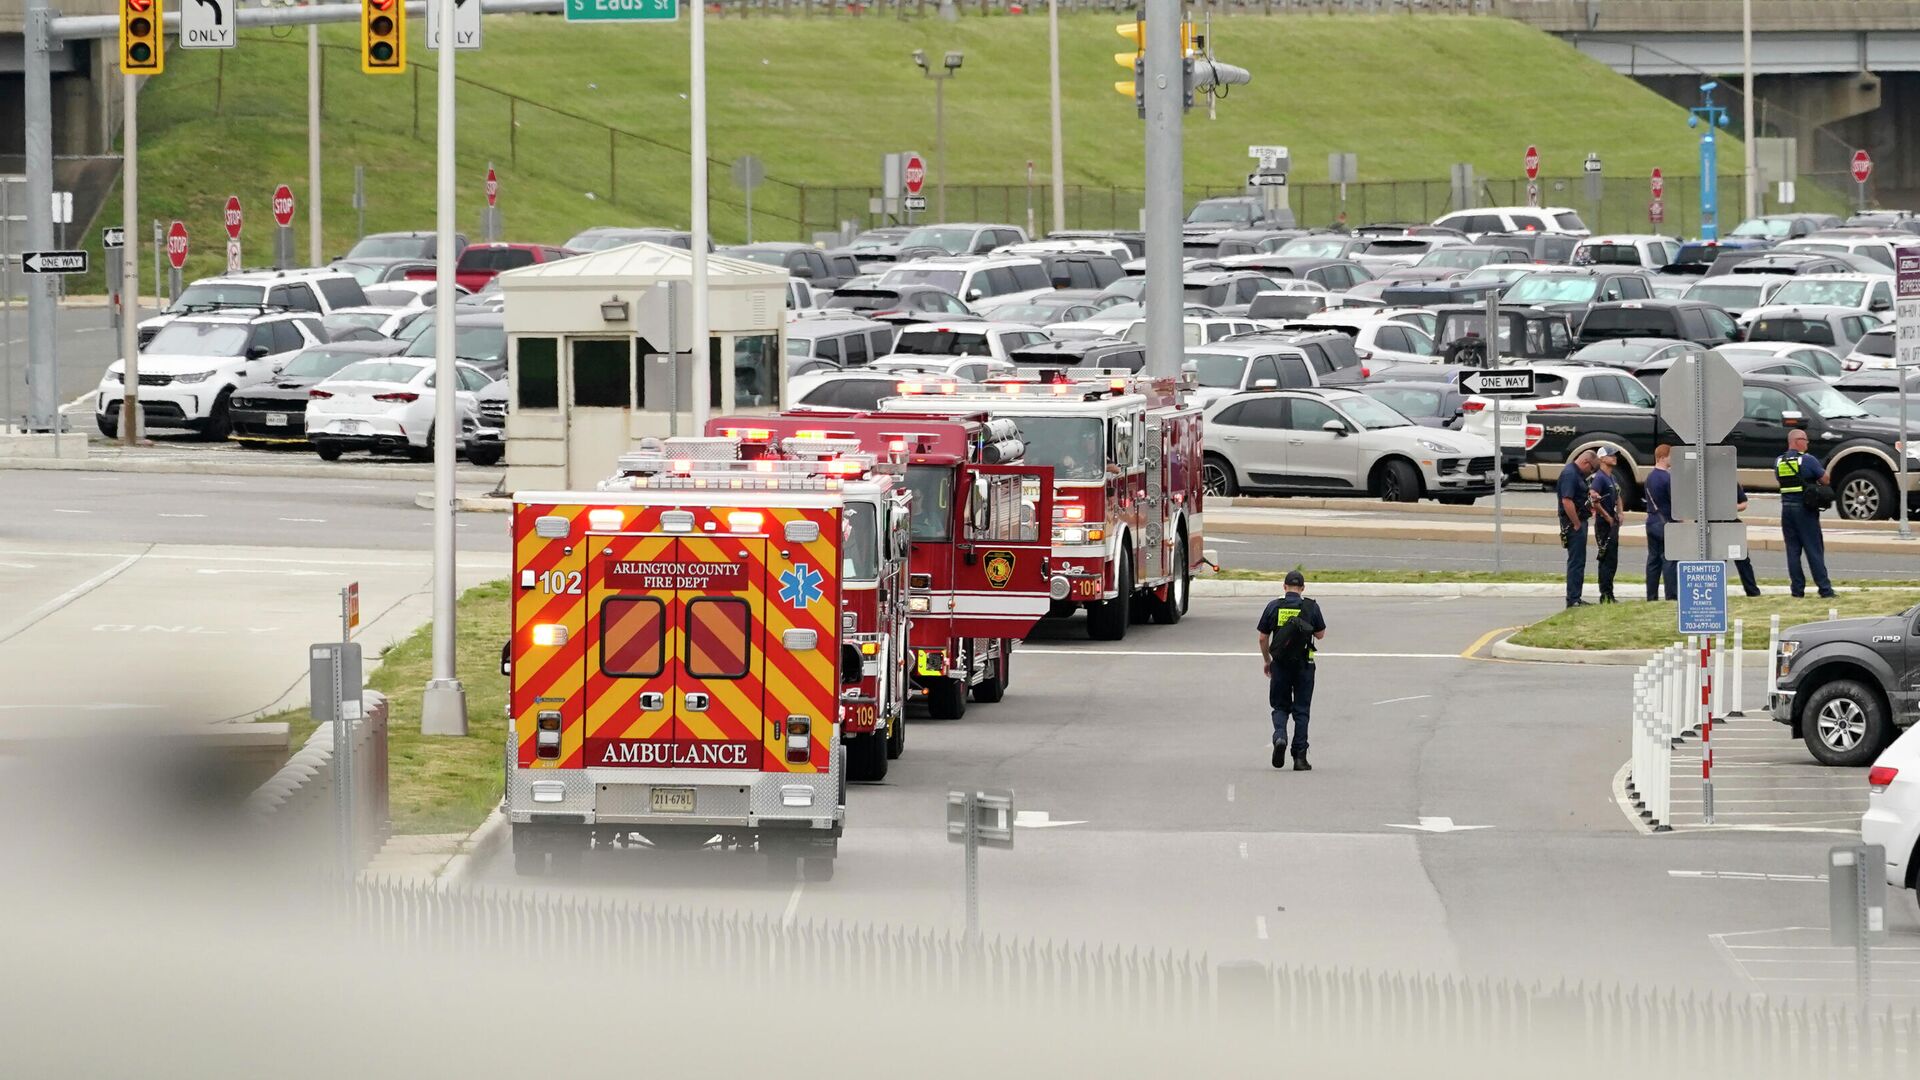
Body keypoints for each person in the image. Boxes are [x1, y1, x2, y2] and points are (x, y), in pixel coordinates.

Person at [1257, 570, 1327, 772]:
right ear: (1303, 589)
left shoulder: (1274, 606)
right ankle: (1300, 757)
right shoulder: (1311, 607)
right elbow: (1320, 635)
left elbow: (1262, 637)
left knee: (1280, 706)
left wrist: (1267, 660)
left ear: (1284, 587)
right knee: (1302, 710)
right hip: (1305, 665)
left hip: (1280, 665)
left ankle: (1280, 736)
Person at [1777, 428, 1836, 599]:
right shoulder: (1807, 460)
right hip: (1804, 510)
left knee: (1793, 551)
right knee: (1814, 549)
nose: (1807, 443)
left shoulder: (1779, 461)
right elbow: (1825, 479)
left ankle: (1797, 590)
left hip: (1786, 508)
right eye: (1805, 440)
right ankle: (1825, 589)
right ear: (1797, 441)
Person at [1557, 449, 1598, 608]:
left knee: (1580, 561)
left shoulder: (1578, 475)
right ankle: (1573, 599)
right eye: (1592, 468)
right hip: (1573, 523)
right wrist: (1576, 523)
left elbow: (1578, 495)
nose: (1591, 472)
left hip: (1579, 521)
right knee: (1576, 561)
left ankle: (1576, 597)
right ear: (1586, 462)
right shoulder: (1570, 474)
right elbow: (1567, 501)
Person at [1590, 445, 1623, 603]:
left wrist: (1621, 512)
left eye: (1615, 455)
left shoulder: (1612, 477)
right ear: (1602, 458)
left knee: (1613, 559)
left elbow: (1618, 495)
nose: (1614, 457)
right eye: (1611, 455)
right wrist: (1607, 517)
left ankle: (1610, 593)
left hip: (1613, 522)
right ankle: (1605, 594)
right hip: (1604, 524)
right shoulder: (1599, 478)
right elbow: (1594, 501)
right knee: (1606, 558)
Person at [1644, 444, 1677, 601]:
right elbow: (1675, 503)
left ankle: (1651, 596)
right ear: (1663, 457)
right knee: (1669, 559)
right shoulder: (1667, 478)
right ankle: (1671, 595)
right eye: (1670, 456)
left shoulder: (1650, 477)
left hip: (1651, 521)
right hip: (1665, 523)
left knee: (1653, 560)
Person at [1732, 485, 1762, 597]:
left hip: (1730, 524)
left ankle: (1752, 590)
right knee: (1716, 562)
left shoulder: (1730, 482)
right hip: (1711, 525)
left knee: (1742, 559)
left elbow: (1743, 504)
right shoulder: (1702, 482)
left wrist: (1729, 508)